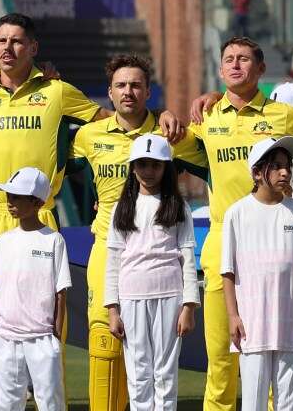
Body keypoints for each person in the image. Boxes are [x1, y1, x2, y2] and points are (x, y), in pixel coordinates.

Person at [0, 14, 103, 411]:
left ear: (33, 48)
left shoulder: (58, 92)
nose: (7, 48)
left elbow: (108, 121)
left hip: (40, 219)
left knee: (49, 340)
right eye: (1, 40)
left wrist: (165, 118)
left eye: (17, 41)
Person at [181, 38, 293, 411]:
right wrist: (166, 118)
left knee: (273, 354)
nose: (235, 65)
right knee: (221, 359)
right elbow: (170, 146)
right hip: (224, 237)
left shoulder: (284, 116)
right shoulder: (206, 118)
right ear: (220, 70)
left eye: (244, 59)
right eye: (228, 60)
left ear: (260, 69)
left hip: (276, 240)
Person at [70, 54, 205, 411]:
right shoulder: (88, 135)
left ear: (148, 91)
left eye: (135, 85)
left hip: (159, 263)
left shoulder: (169, 135)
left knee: (158, 364)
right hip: (108, 246)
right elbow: (53, 161)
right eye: (120, 85)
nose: (128, 92)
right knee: (105, 339)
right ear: (110, 93)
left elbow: (213, 158)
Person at [222, 137, 293, 411]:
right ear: (257, 172)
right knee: (253, 402)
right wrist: (233, 316)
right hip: (252, 326)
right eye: (276, 166)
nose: (285, 172)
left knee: (291, 403)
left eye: (287, 166)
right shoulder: (237, 214)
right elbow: (227, 273)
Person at [103, 135, 199, 411]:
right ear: (133, 168)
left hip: (170, 295)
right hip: (132, 297)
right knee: (138, 372)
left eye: (155, 165)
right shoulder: (121, 208)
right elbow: (113, 260)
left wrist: (189, 307)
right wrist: (113, 310)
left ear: (166, 168)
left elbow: (188, 258)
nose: (148, 171)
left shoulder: (178, 206)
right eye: (142, 164)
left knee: (166, 373)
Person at [0, 166, 71, 411]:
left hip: (42, 338)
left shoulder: (54, 240)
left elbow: (60, 292)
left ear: (37, 202)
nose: (9, 202)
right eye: (9, 196)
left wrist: (54, 339)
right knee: (4, 405)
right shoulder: (3, 241)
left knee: (50, 403)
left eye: (16, 197)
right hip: (5, 338)